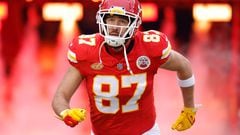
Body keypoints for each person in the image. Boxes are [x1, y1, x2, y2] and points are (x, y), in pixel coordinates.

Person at [52, 0, 198, 134]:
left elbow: (184, 66)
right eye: (110, 20)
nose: (114, 27)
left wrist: (189, 108)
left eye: (122, 21)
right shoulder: (87, 51)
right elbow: (60, 97)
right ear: (102, 20)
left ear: (134, 24)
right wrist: (65, 112)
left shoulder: (149, 47)